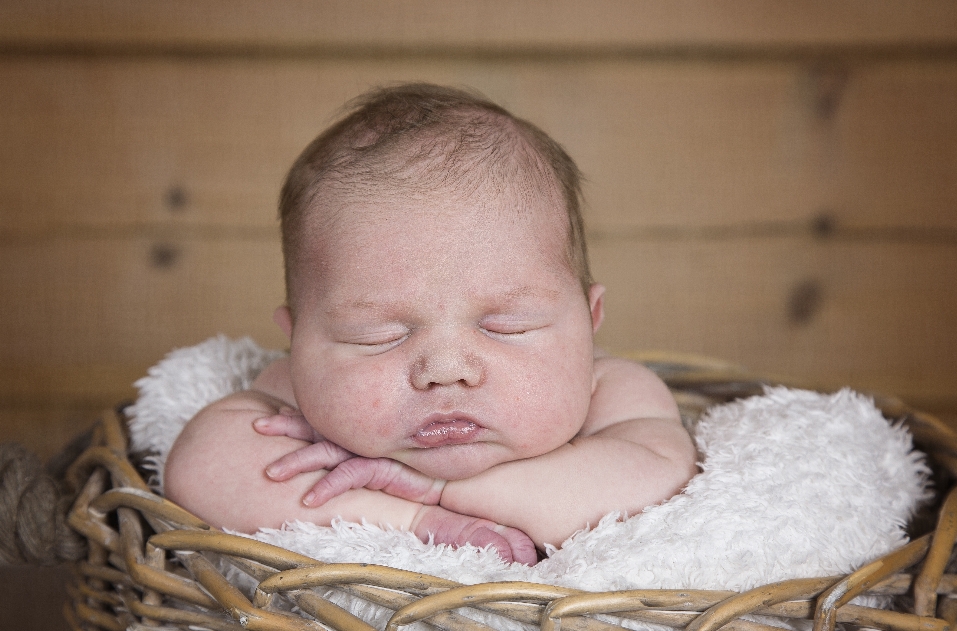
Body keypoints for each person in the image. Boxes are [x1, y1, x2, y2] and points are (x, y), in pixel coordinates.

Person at [164, 84, 697, 565]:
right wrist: (414, 521)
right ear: (297, 339)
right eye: (375, 335)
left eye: (506, 326)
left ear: (589, 321)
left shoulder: (612, 391)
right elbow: (202, 470)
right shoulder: (301, 390)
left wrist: (429, 487)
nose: (445, 371)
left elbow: (655, 480)